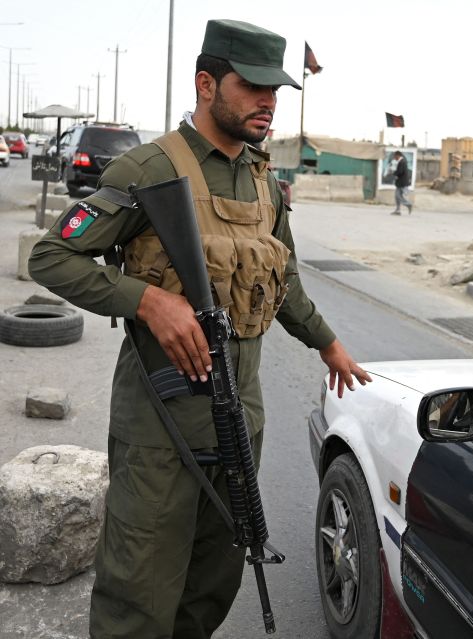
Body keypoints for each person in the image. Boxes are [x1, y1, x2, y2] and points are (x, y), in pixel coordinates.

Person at [29, 19, 372, 638]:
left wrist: (328, 344)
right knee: (139, 588)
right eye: (253, 87)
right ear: (206, 84)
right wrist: (147, 302)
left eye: (277, 91)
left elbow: (282, 275)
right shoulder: (149, 168)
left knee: (213, 579)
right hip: (161, 420)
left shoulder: (264, 179)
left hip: (240, 414)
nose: (269, 102)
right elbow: (52, 257)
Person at [390, 150, 413, 215]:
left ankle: (408, 204)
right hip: (400, 182)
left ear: (398, 155)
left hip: (402, 183)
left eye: (395, 156)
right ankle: (398, 210)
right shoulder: (401, 161)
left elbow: (400, 172)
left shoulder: (402, 162)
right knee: (397, 196)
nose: (394, 158)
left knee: (398, 196)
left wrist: (393, 173)